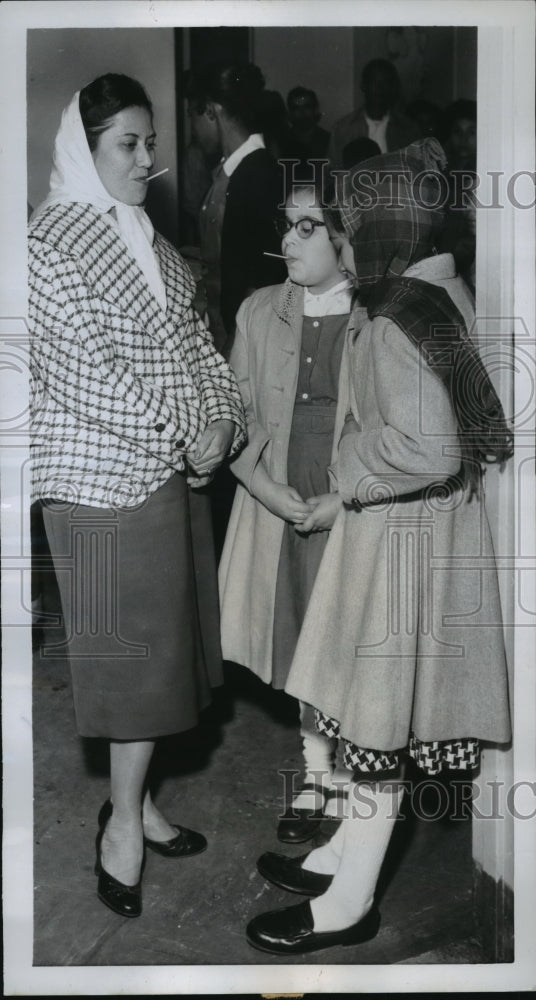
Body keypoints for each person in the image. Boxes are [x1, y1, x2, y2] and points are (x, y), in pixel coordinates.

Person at [245, 138, 513, 955]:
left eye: (355, 229)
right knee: (372, 725)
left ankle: (351, 900)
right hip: (418, 535)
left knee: (374, 730)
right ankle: (344, 856)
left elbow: (429, 450)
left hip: (402, 543)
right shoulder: (441, 291)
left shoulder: (398, 315)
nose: (347, 246)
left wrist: (350, 462)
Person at [28, 73, 246, 919]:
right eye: (129, 143)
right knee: (134, 671)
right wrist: (181, 436)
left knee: (169, 665)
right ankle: (121, 825)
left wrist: (222, 425)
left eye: (152, 142)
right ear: (82, 150)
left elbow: (201, 344)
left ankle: (139, 800)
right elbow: (87, 374)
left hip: (170, 472)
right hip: (102, 486)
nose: (149, 160)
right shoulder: (46, 245)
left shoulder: (148, 239)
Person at [218, 182, 358, 844]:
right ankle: (315, 771)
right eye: (286, 225)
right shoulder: (258, 312)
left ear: (343, 239)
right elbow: (235, 417)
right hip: (283, 486)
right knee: (301, 629)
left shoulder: (374, 315)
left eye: (308, 227)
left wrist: (349, 497)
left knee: (349, 635)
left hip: (347, 493)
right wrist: (263, 488)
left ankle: (359, 781)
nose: (289, 241)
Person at [186, 61, 287, 356]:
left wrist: (232, 351)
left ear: (210, 111)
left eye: (192, 116)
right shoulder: (230, 170)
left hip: (244, 342)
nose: (192, 130)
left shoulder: (257, 174)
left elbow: (265, 276)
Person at [328, 58, 420, 169]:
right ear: (363, 85)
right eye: (374, 82)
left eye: (386, 82)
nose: (379, 88)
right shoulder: (343, 129)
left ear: (392, 88)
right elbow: (332, 172)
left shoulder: (408, 129)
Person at [437, 99, 478, 292]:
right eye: (457, 132)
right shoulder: (441, 176)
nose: (463, 139)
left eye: (471, 132)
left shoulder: (485, 178)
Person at [283, 87, 331, 180]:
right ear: (290, 112)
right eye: (296, 108)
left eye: (307, 107)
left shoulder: (328, 140)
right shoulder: (282, 141)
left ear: (315, 110)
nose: (302, 112)